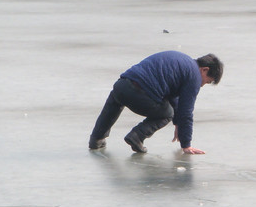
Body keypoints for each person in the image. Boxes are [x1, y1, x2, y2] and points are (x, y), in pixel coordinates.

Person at [89, 51, 223, 155]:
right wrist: (186, 144)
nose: (202, 85)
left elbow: (173, 97)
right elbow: (186, 111)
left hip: (122, 84)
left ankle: (96, 139)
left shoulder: (183, 62)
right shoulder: (194, 76)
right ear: (204, 69)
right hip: (140, 92)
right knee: (167, 113)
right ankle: (137, 136)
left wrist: (177, 123)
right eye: (207, 81)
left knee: (116, 100)